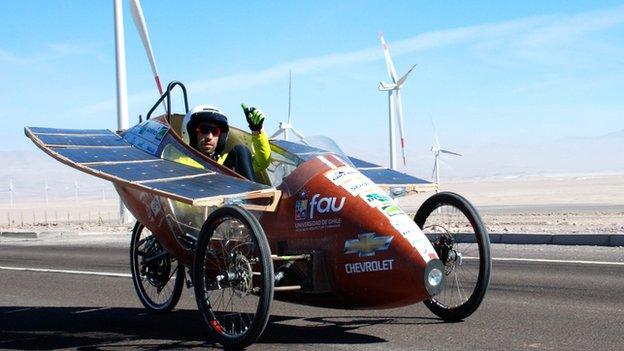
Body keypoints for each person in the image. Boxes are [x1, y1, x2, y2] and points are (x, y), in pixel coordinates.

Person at [179, 104, 271, 182]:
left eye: (215, 131)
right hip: (197, 201)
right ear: (192, 133)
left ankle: (254, 200)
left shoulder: (225, 161)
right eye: (204, 129)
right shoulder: (178, 164)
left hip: (231, 202)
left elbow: (261, 162)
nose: (209, 137)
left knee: (241, 150)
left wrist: (257, 130)